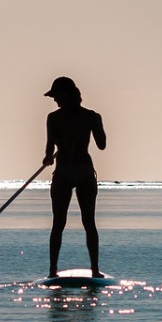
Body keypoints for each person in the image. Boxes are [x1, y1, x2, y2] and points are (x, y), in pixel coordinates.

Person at [42, 76, 106, 277]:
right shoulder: (90, 116)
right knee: (81, 223)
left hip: (68, 173)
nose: (54, 100)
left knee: (64, 224)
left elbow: (49, 149)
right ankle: (89, 271)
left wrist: (49, 157)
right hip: (80, 171)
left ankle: (57, 271)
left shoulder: (54, 118)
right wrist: (95, 124)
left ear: (67, 94)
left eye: (56, 96)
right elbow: (102, 144)